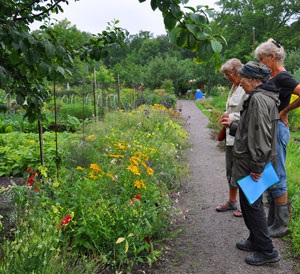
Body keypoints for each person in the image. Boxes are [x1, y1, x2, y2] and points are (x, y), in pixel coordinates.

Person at [221, 61, 281, 266]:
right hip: (253, 159)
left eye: (244, 79)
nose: (242, 83)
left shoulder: (258, 99)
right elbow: (252, 129)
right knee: (248, 204)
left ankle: (267, 250)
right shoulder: (264, 96)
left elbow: (261, 135)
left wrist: (257, 166)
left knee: (253, 205)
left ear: (254, 80)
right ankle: (255, 240)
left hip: (252, 162)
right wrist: (235, 126)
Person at [255, 39, 300, 237]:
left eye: (262, 59)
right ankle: (272, 220)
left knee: (279, 172)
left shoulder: (283, 77)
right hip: (270, 128)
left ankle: (282, 225)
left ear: (271, 57)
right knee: (270, 171)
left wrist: (285, 111)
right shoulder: (271, 76)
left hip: (278, 128)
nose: (260, 62)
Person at [216, 58, 248, 217]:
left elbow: (249, 113)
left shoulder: (246, 87)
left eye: (228, 74)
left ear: (237, 71)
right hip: (230, 134)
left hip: (241, 134)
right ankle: (231, 201)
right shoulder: (234, 87)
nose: (227, 78)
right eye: (225, 75)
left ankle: (245, 206)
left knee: (242, 170)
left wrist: (230, 116)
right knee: (230, 169)